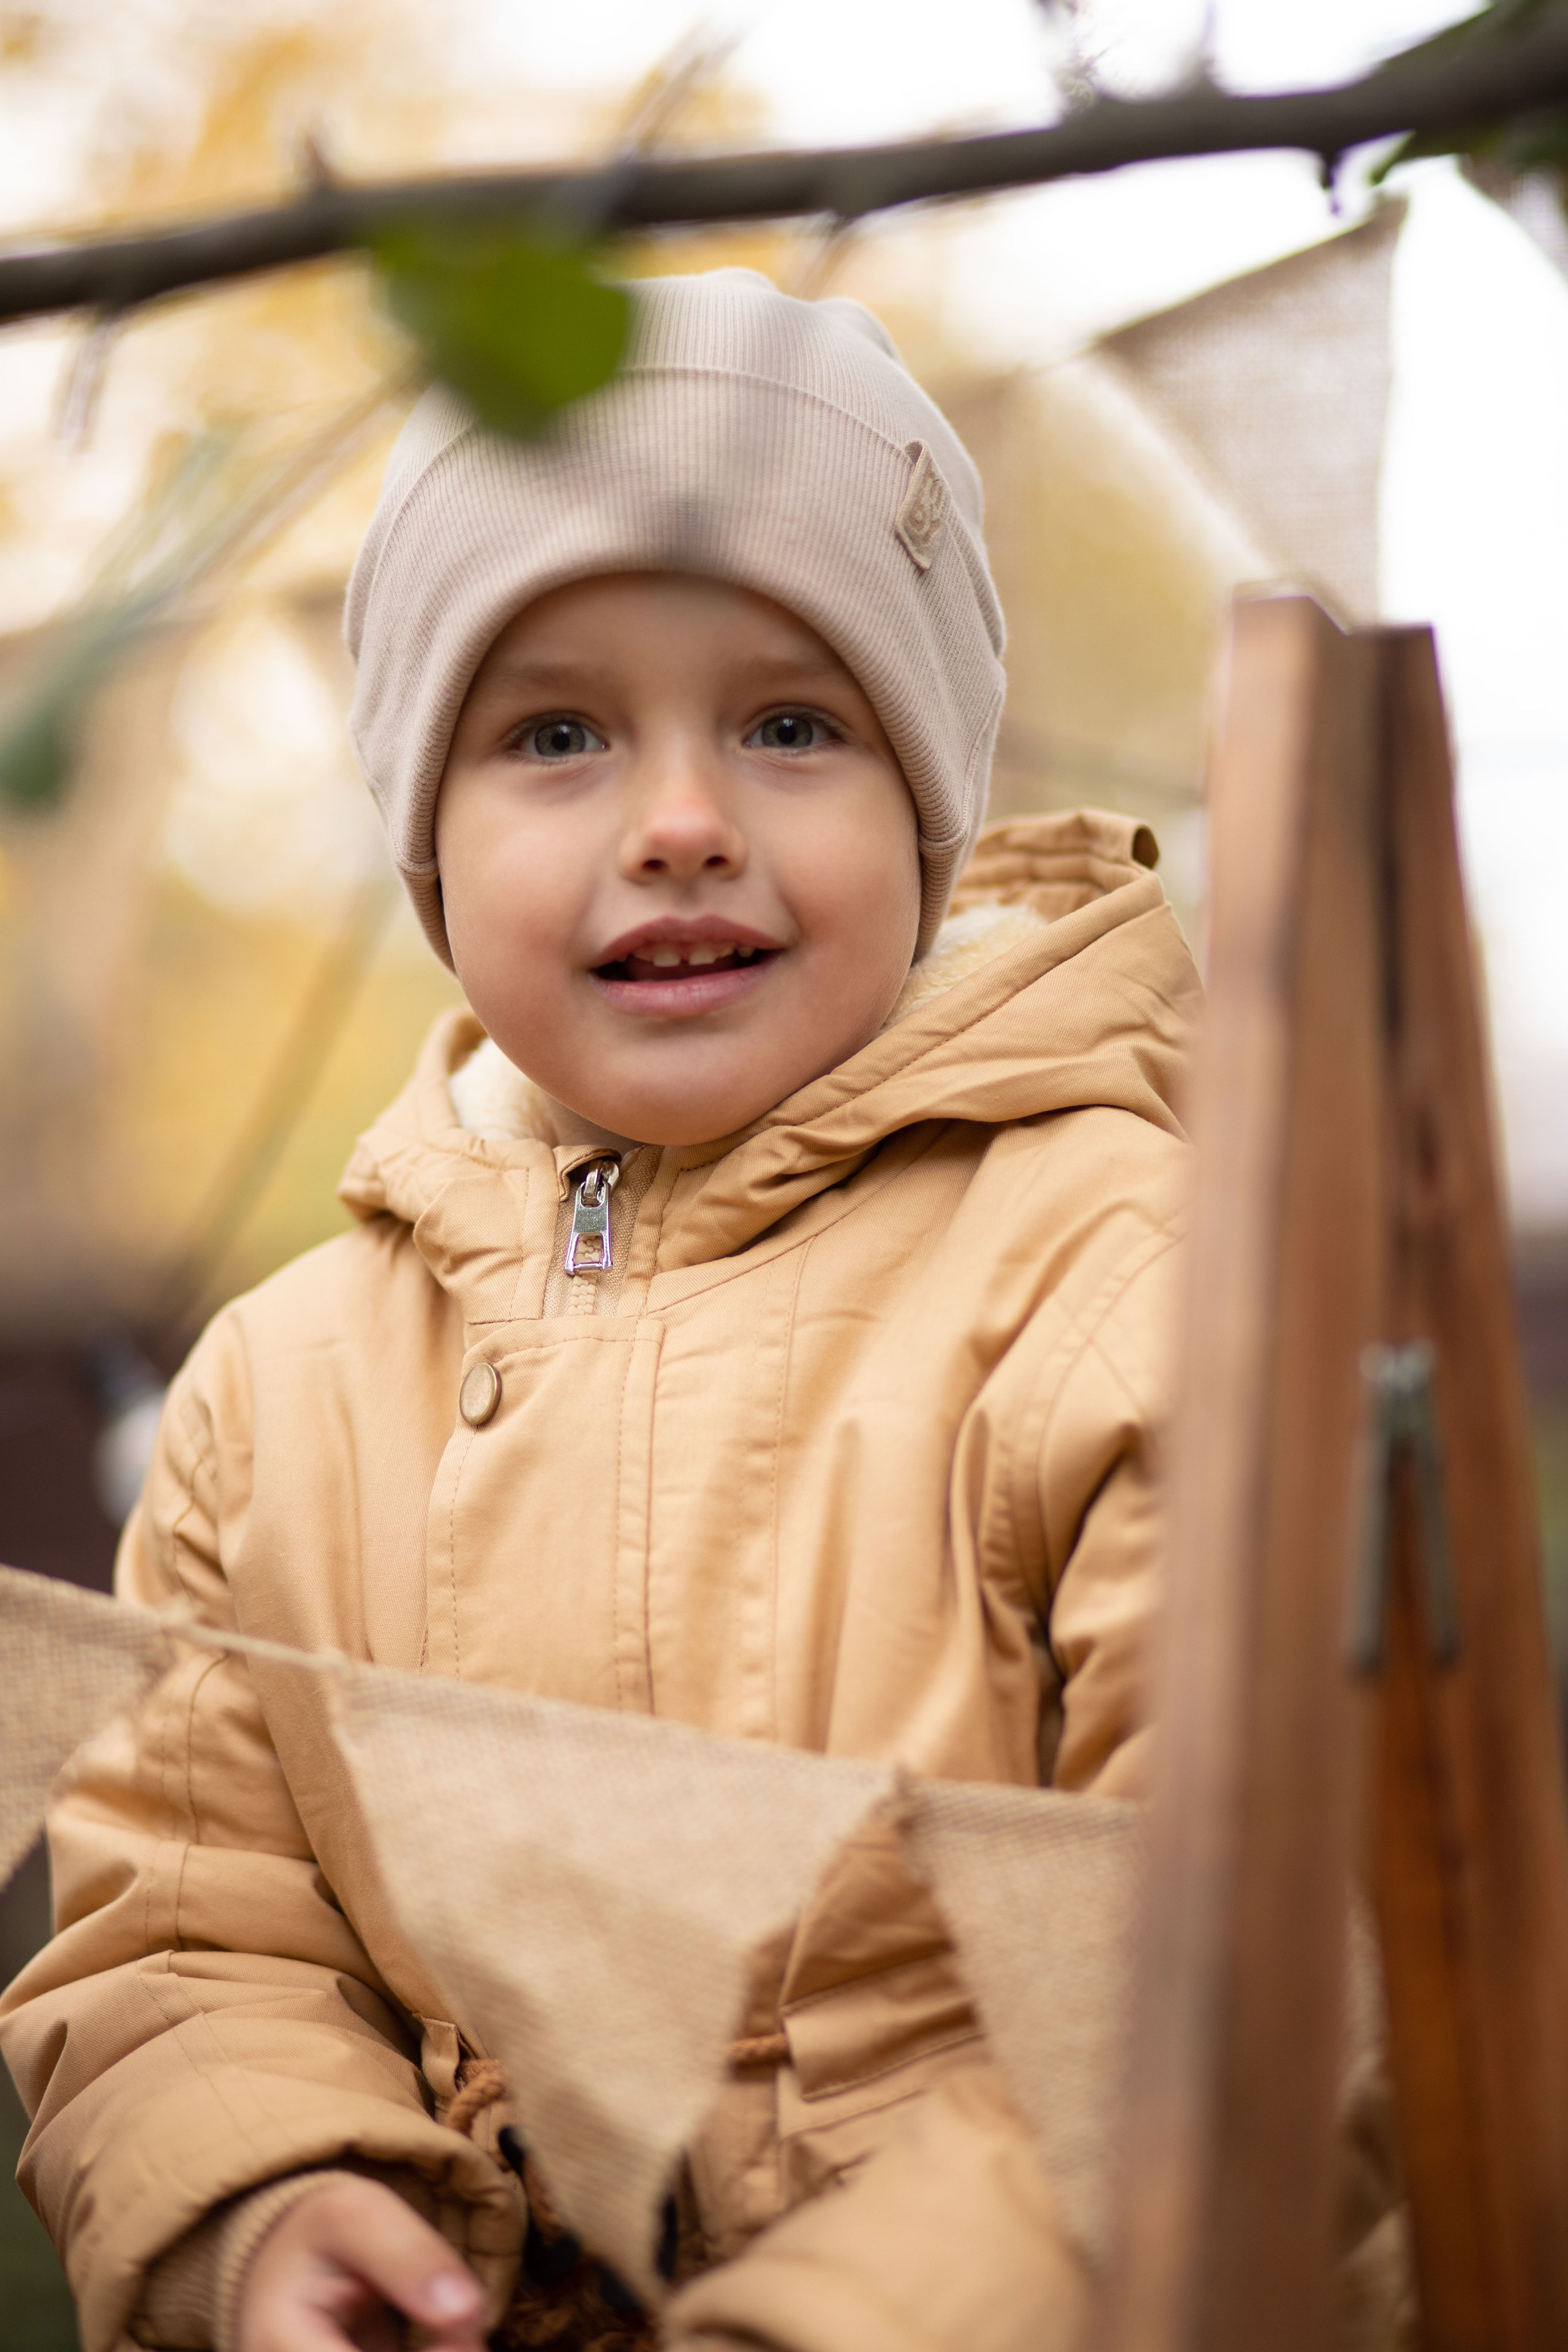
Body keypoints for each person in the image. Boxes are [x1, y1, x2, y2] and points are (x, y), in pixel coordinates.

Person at [0, 270, 1200, 2352]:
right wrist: (271, 2201)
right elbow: (188, 1934)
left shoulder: (1121, 1274)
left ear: (927, 809)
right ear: (427, 848)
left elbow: (1238, 1963)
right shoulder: (279, 1400)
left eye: (792, 725)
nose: (677, 823)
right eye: (553, 733)